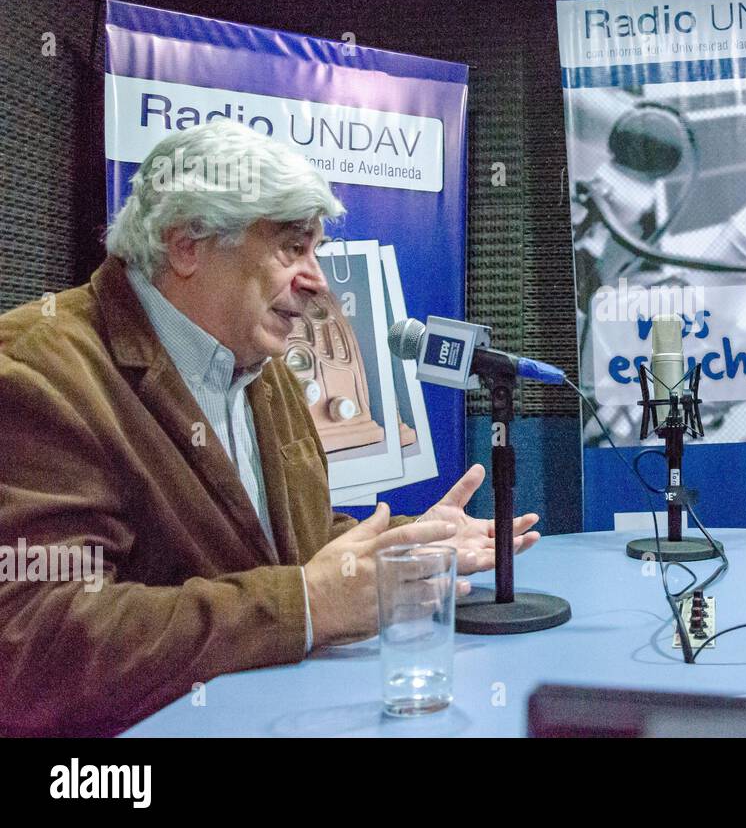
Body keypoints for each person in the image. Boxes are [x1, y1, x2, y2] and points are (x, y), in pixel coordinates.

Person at [0, 120, 538, 735]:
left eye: (317, 251)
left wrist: (407, 549)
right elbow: (33, 637)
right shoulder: (39, 371)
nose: (317, 281)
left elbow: (287, 542)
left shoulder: (260, 363)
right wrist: (307, 606)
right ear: (187, 244)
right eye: (291, 246)